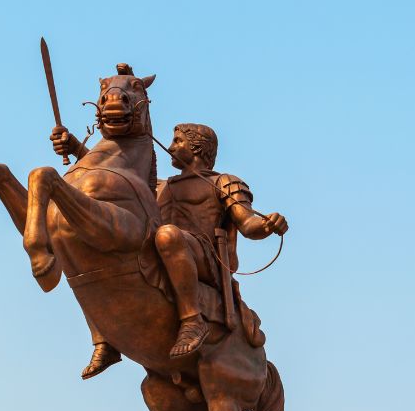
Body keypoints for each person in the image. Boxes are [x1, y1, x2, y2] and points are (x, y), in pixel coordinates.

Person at [50, 122, 288, 375]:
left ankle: (192, 321)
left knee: (166, 235)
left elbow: (248, 223)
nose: (171, 147)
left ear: (196, 147)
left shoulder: (224, 182)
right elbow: (115, 174)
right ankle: (104, 337)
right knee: (86, 249)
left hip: (203, 257)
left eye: (178, 141)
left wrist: (268, 224)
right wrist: (75, 147)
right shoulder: (161, 186)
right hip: (163, 251)